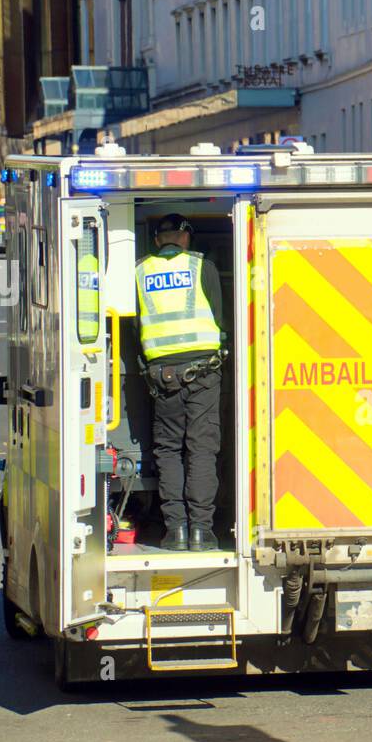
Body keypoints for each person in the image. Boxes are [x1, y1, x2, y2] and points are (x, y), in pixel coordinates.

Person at [135, 213, 225, 552]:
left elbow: (136, 329)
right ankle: (202, 531)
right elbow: (220, 318)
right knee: (201, 449)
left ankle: (177, 532)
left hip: (162, 378)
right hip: (203, 374)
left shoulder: (140, 272)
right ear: (186, 238)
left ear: (158, 240)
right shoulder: (203, 266)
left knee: (169, 451)